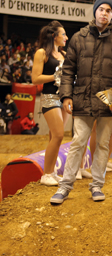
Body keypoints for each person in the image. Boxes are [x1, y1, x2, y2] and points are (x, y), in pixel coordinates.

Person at [50, 0, 112, 205]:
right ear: (95, 11)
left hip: (108, 102)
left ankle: (97, 185)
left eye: (108, 10)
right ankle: (65, 186)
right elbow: (68, 70)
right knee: (78, 142)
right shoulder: (79, 37)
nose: (104, 13)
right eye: (101, 9)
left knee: (103, 145)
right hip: (82, 99)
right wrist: (66, 95)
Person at [31, 21, 69, 185]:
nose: (66, 37)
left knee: (55, 136)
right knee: (59, 134)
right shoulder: (41, 53)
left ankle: (51, 171)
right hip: (49, 97)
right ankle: (46, 174)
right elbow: (35, 78)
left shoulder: (64, 55)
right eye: (63, 34)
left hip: (64, 97)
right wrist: (55, 77)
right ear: (54, 36)